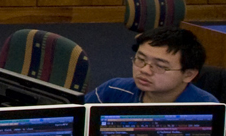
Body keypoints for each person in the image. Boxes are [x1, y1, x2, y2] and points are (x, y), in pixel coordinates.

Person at [87, 26, 218, 106]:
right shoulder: (114, 90)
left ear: (188, 74)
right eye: (141, 59)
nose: (144, 70)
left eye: (160, 66)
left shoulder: (207, 109)